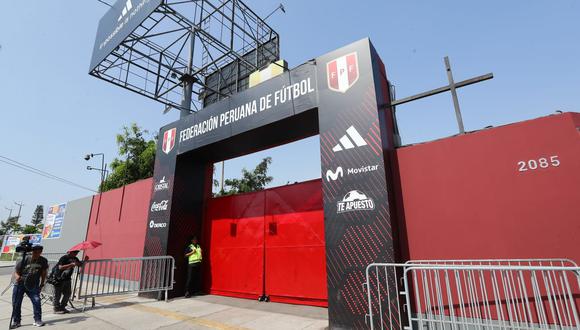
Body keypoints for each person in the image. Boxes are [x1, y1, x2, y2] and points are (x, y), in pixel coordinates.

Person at [11, 245, 48, 328]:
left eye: (39, 252)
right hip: (20, 284)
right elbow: (16, 272)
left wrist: (42, 283)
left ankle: (38, 320)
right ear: (32, 252)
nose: (37, 254)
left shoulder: (43, 261)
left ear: (41, 252)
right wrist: (17, 277)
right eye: (35, 252)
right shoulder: (24, 259)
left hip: (33, 284)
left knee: (37, 301)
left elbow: (43, 273)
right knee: (16, 303)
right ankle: (16, 321)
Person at [52, 250, 82, 314]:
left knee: (68, 293)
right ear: (70, 252)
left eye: (77, 253)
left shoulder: (75, 258)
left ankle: (62, 307)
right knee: (58, 294)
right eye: (75, 253)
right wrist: (71, 264)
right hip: (59, 278)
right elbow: (60, 267)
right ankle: (56, 308)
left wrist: (85, 260)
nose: (76, 254)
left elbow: (80, 265)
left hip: (67, 278)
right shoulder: (64, 258)